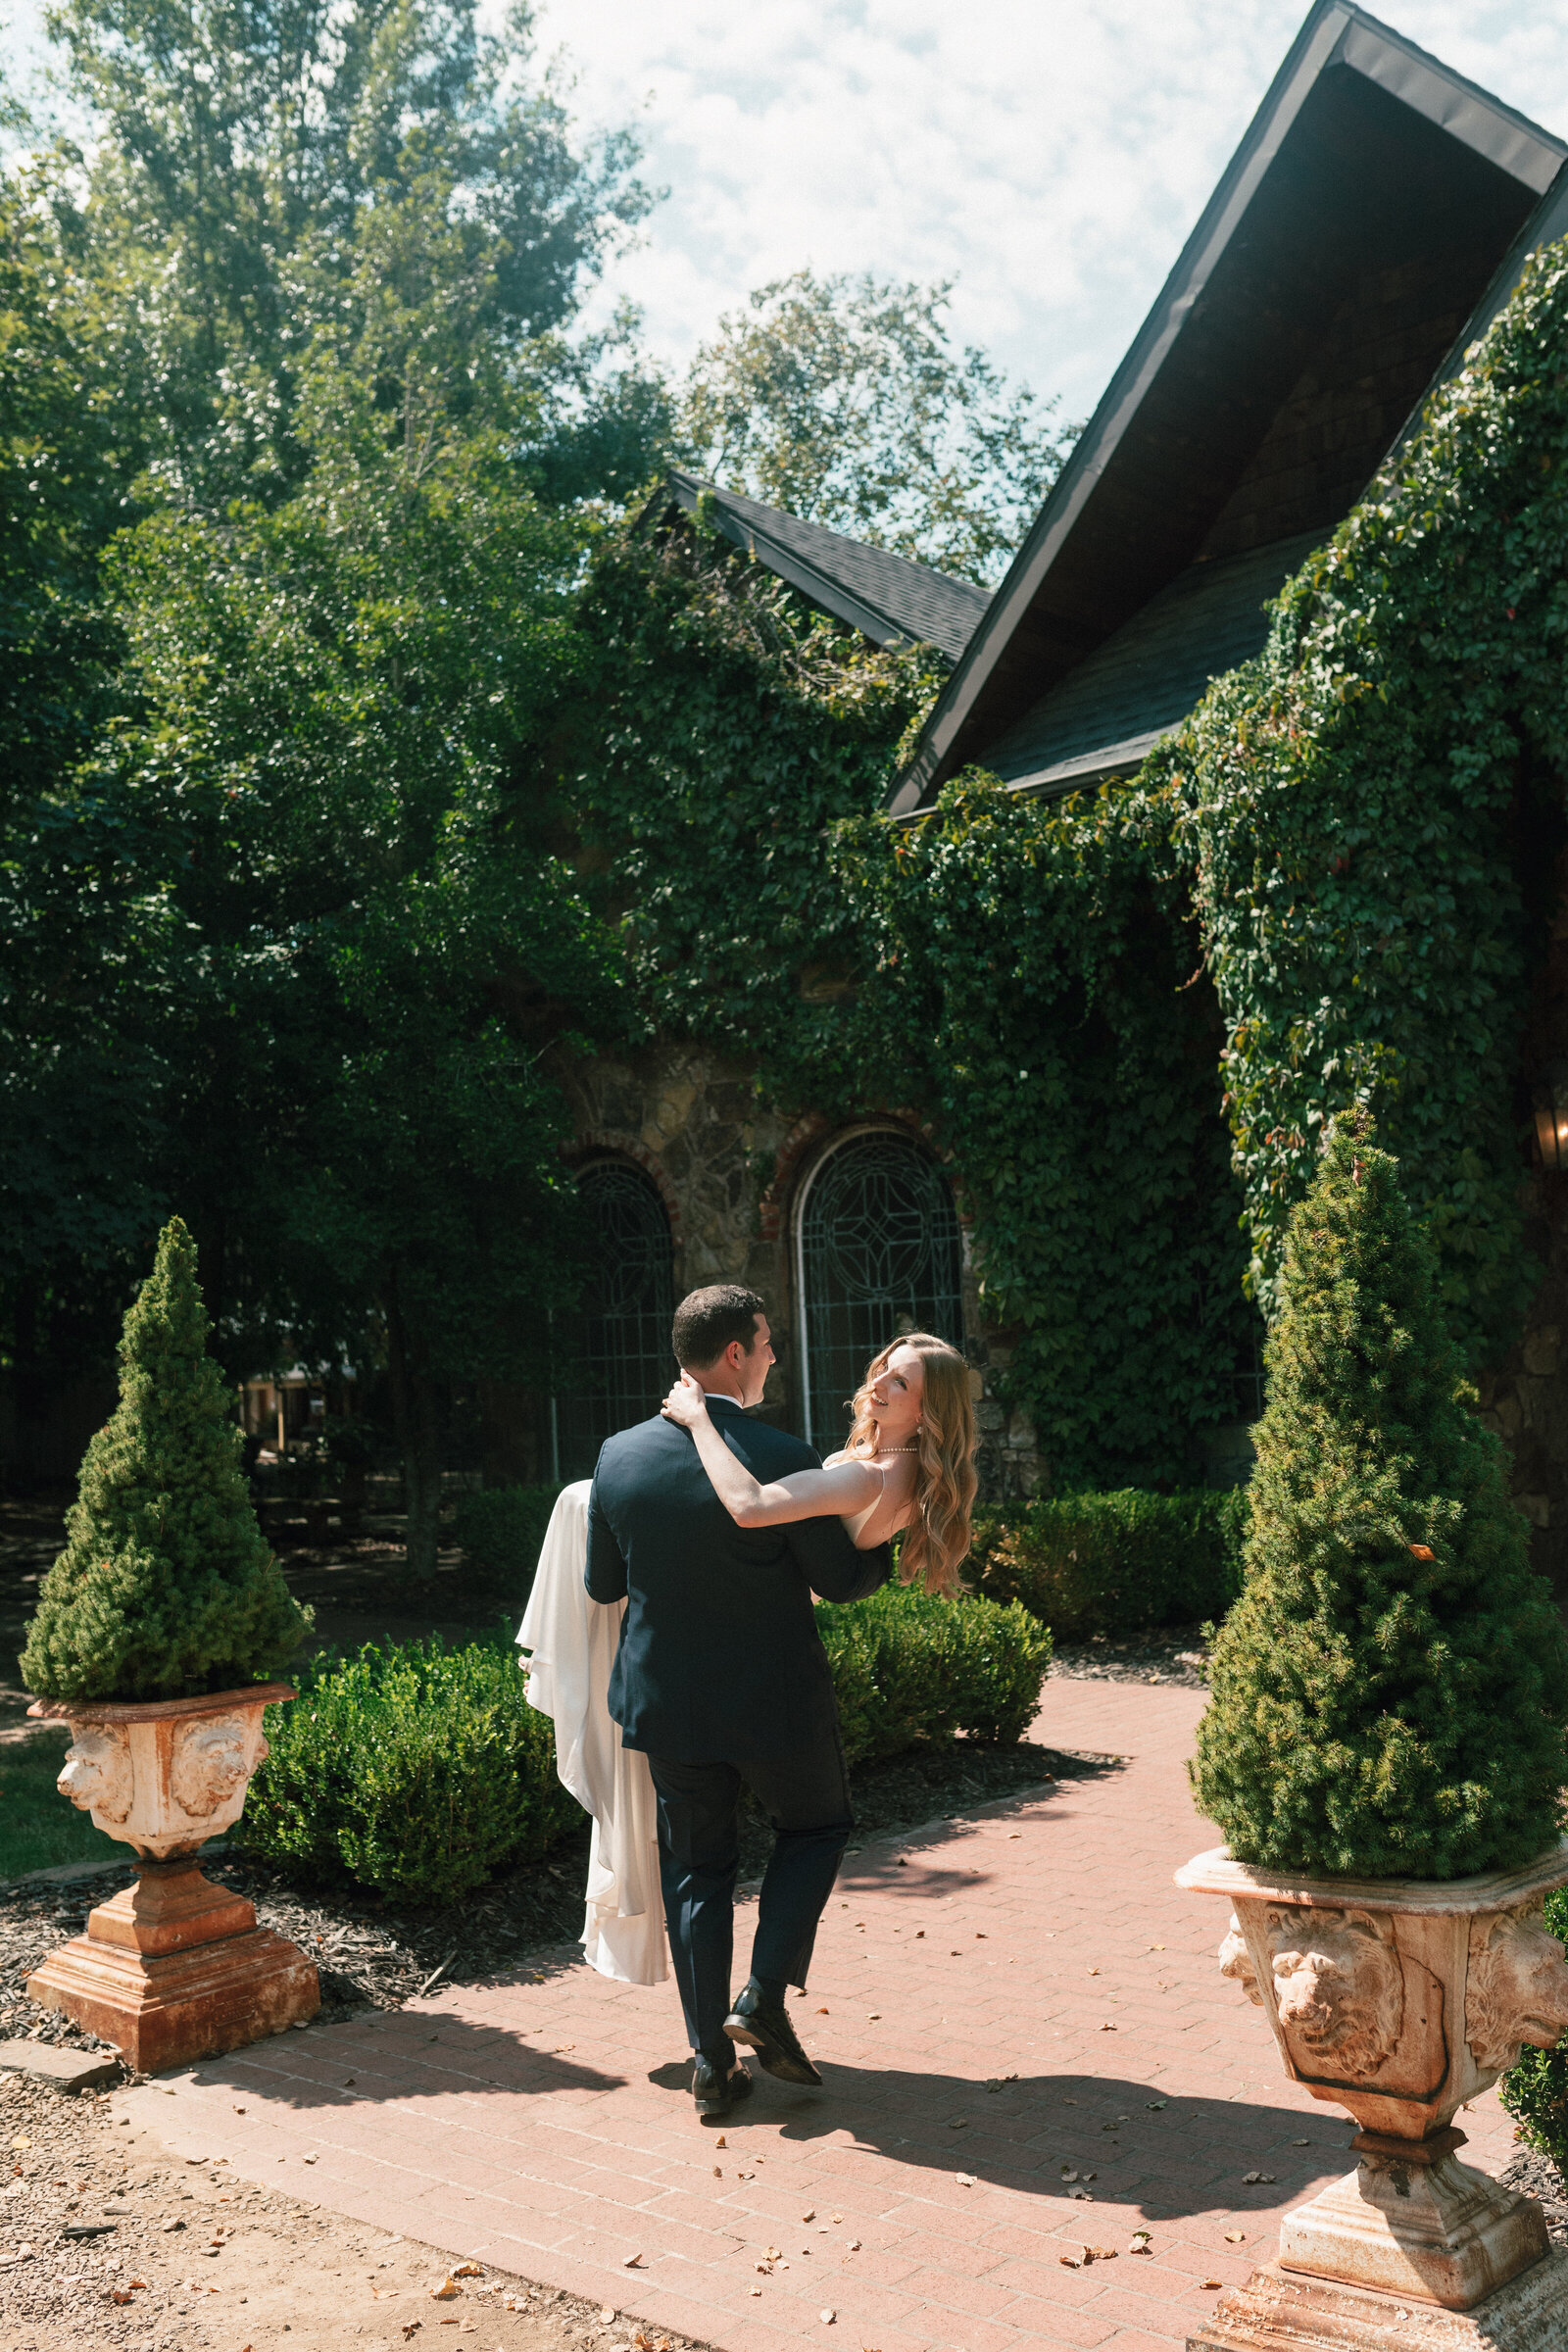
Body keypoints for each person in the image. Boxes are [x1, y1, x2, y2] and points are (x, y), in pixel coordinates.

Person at [585, 1284, 891, 2122]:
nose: (772, 1359)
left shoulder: (616, 1455)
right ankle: (759, 1996)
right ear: (733, 1356)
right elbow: (843, 1579)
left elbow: (602, 1583)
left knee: (699, 1870)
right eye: (765, 1345)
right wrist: (886, 1539)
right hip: (772, 1702)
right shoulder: (782, 1450)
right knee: (817, 1826)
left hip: (668, 1704)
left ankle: (710, 2066)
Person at [661, 1332, 977, 1593]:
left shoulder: (868, 1478)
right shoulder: (913, 1475)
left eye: (900, 1383)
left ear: (925, 1411)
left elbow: (750, 1506)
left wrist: (698, 1419)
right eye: (883, 1367)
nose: (877, 1382)